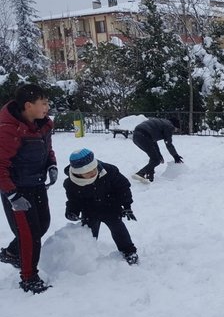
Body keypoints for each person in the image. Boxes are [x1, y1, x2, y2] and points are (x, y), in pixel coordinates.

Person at [0, 84, 56, 293]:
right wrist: (12, 195)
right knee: (29, 234)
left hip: (37, 184)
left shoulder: (44, 124)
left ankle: (13, 253)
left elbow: (47, 149)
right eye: (43, 103)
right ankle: (29, 277)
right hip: (17, 189)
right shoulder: (8, 129)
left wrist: (51, 164)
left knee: (42, 224)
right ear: (28, 105)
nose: (47, 107)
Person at [63, 149, 139, 265]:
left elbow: (123, 187)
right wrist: (72, 211)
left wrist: (127, 205)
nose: (93, 172)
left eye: (94, 168)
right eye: (88, 171)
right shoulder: (71, 183)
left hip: (111, 206)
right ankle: (86, 255)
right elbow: (74, 200)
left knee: (118, 229)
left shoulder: (109, 171)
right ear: (78, 172)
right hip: (89, 211)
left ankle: (128, 251)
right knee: (89, 234)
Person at [132, 116, 183, 183]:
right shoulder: (169, 126)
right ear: (175, 126)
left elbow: (153, 142)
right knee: (156, 160)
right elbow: (168, 143)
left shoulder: (162, 123)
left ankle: (150, 176)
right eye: (176, 129)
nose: (175, 131)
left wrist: (159, 154)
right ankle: (140, 173)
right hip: (144, 136)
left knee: (154, 157)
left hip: (137, 135)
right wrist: (175, 156)